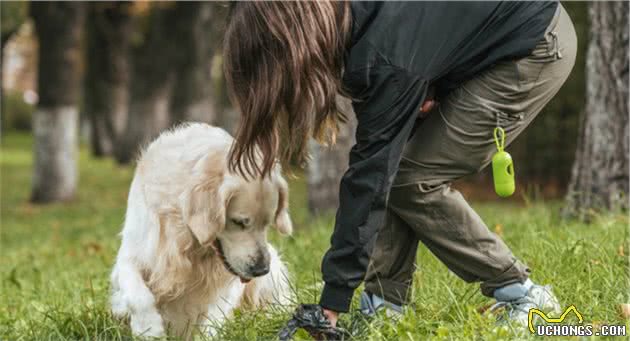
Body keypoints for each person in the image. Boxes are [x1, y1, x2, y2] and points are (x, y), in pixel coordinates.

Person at [223, 1, 576, 329]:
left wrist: (333, 300)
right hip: (486, 41)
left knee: (411, 178)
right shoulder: (355, 26)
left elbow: (370, 176)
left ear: (296, 41)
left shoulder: (382, 52)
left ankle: (523, 294)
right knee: (394, 164)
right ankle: (384, 307)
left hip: (533, 44)